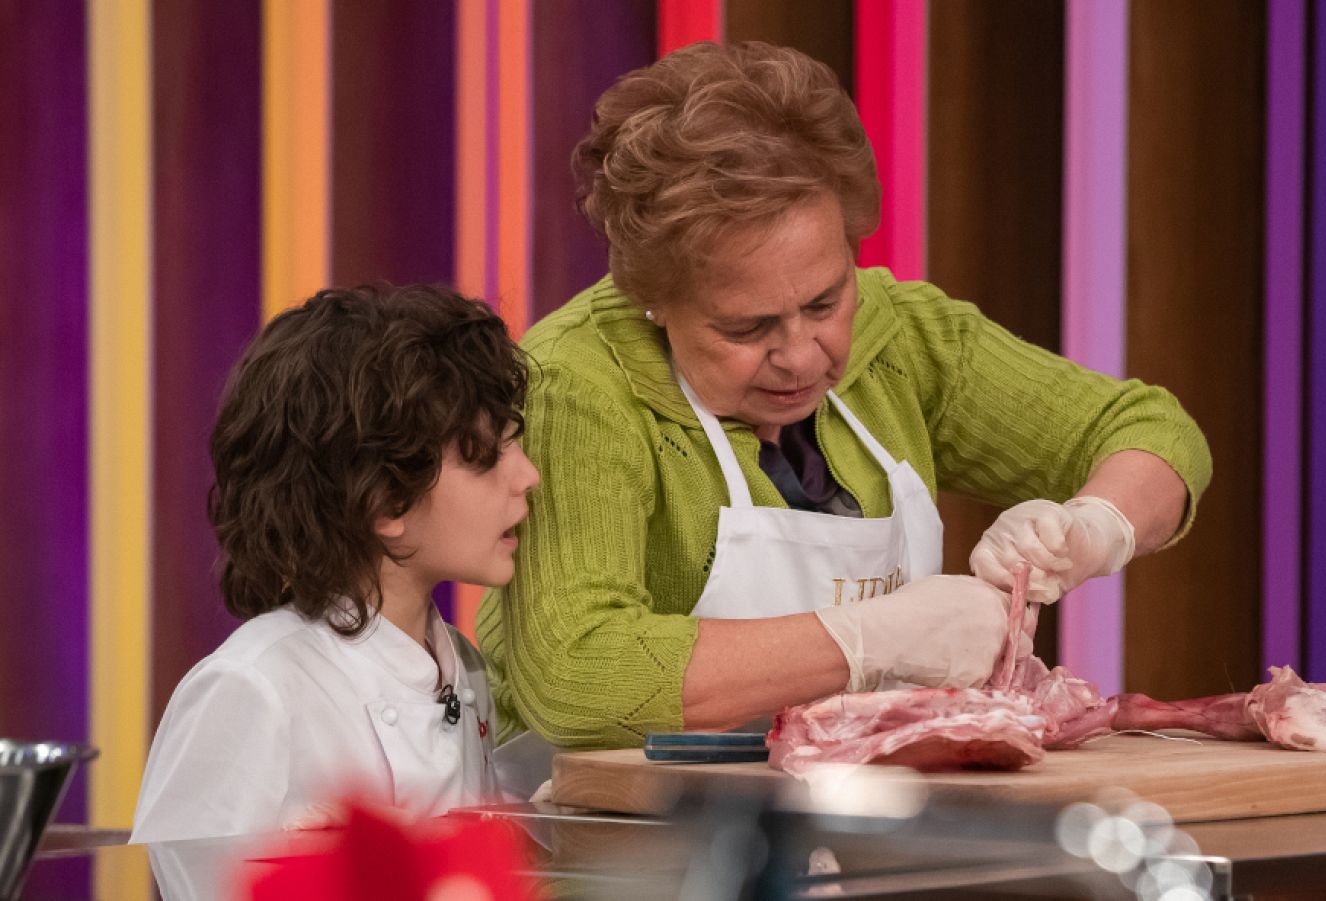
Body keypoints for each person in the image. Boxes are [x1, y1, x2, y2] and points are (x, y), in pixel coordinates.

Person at [476, 41, 1211, 752]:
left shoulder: (903, 340)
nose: (800, 354)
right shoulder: (577, 384)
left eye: (826, 303)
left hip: (849, 815)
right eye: (747, 326)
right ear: (653, 299)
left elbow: (1153, 432)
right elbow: (576, 672)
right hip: (616, 845)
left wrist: (1096, 525)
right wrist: (870, 637)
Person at [131, 285, 539, 842]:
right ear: (385, 499)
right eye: (487, 455)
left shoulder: (461, 668)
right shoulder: (252, 687)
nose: (528, 477)